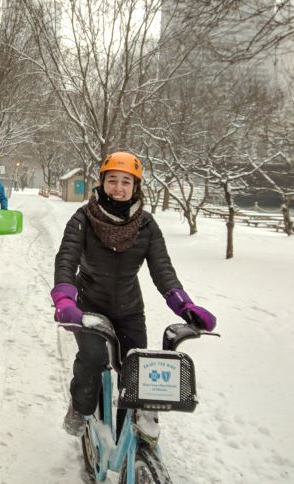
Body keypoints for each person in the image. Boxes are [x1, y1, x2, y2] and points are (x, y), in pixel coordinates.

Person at [50, 151, 216, 436]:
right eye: (112, 180)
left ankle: (132, 430)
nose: (118, 187)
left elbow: (162, 269)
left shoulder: (147, 225)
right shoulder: (83, 218)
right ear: (102, 183)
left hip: (129, 309)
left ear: (135, 186)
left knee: (135, 369)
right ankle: (80, 407)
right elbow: (67, 258)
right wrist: (64, 297)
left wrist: (184, 305)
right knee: (93, 358)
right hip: (88, 305)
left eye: (126, 181)